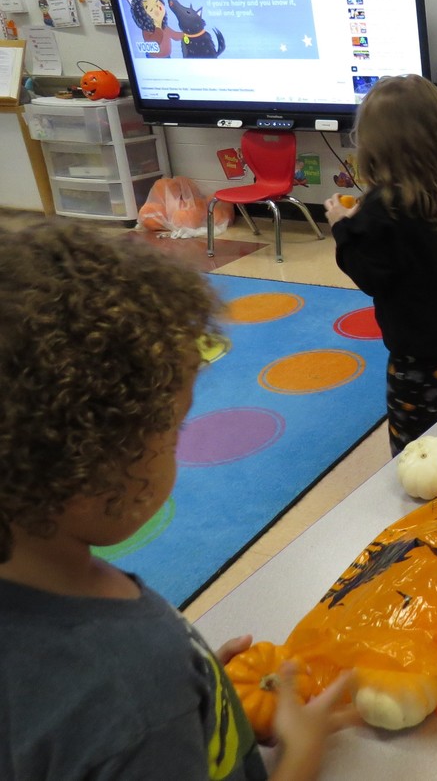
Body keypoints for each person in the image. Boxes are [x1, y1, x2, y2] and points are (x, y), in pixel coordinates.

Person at [0, 223, 354, 781]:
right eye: (171, 428)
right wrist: (301, 757)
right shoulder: (131, 692)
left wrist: (195, 686)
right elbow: (113, 720)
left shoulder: (45, 598)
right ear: (86, 471)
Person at [324, 74, 437, 456]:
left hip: (413, 347)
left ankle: (422, 491)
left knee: (411, 441)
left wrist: (342, 229)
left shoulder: (383, 208)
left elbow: (371, 276)